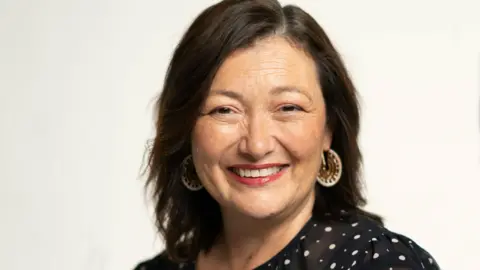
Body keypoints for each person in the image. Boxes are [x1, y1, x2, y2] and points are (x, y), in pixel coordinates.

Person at [134, 0, 440, 269]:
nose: (256, 145)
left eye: (288, 107)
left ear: (328, 130)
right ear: (186, 130)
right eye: (224, 110)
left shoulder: (378, 263)